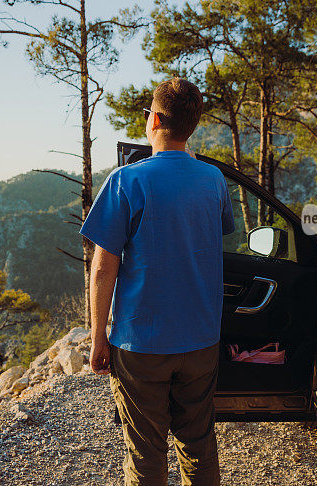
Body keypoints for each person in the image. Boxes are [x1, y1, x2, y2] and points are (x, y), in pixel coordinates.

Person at [79, 77, 235, 486]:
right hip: (202, 339)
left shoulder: (127, 181)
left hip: (141, 344)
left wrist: (98, 337)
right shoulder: (214, 180)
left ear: (155, 118)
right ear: (192, 126)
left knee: (145, 453)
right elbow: (212, 232)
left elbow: (102, 268)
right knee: (198, 444)